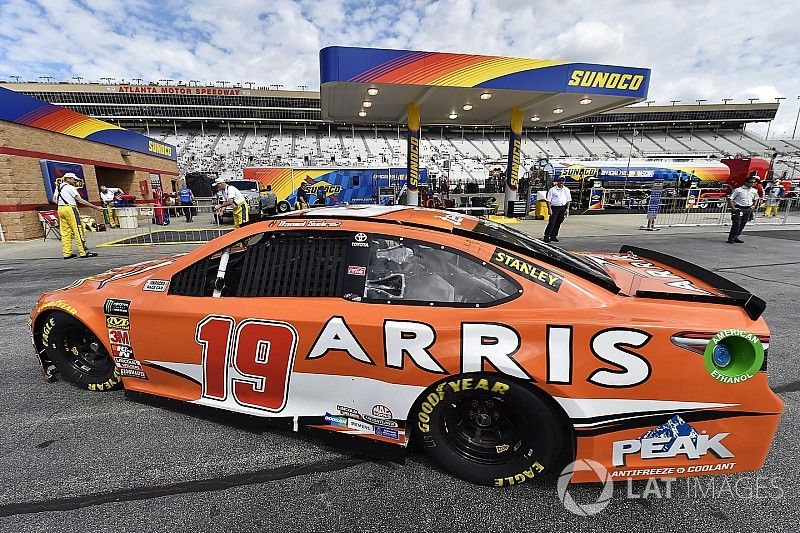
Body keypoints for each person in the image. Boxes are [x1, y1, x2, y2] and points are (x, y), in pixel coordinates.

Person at [53, 173, 102, 258]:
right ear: (68, 179)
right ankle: (83, 252)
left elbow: (54, 200)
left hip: (60, 209)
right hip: (70, 209)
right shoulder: (70, 187)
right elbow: (80, 200)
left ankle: (67, 253)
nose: (75, 181)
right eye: (74, 179)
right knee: (78, 230)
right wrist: (96, 207)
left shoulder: (59, 187)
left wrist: (63, 204)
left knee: (65, 232)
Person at [726, 175, 759, 243]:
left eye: (754, 182)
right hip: (739, 209)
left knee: (743, 224)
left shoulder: (754, 190)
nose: (752, 184)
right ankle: (731, 238)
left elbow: (756, 198)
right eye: (751, 182)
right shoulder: (738, 190)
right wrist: (733, 208)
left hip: (748, 209)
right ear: (746, 182)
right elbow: (730, 199)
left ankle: (736, 236)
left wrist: (754, 205)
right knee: (736, 224)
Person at [543, 176, 571, 243]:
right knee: (552, 223)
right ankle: (546, 237)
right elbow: (548, 200)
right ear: (557, 181)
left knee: (558, 223)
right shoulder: (552, 190)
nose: (561, 182)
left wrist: (567, 209)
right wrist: (549, 209)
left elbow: (568, 200)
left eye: (562, 181)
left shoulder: (566, 190)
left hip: (563, 208)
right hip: (554, 208)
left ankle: (553, 236)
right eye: (560, 181)